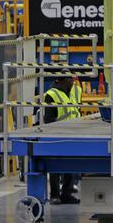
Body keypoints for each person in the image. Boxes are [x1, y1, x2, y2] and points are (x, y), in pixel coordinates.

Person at [42, 76, 79, 205]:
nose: (73, 81)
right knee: (55, 167)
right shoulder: (51, 95)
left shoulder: (71, 93)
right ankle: (55, 195)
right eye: (70, 79)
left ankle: (67, 194)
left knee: (70, 165)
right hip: (57, 135)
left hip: (72, 134)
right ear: (62, 80)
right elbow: (48, 118)